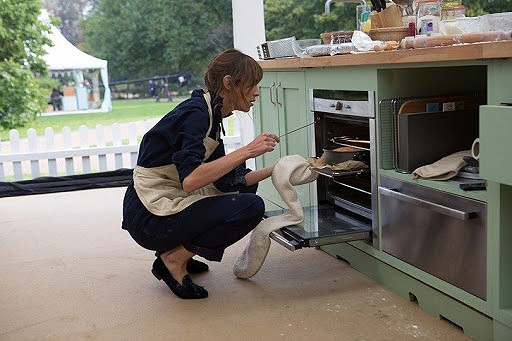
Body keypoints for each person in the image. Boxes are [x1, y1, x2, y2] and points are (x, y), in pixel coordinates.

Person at [121, 48, 279, 299]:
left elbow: (227, 182)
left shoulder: (212, 117)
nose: (257, 92)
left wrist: (278, 169)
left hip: (162, 202)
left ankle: (177, 248)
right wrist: (247, 151)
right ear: (229, 83)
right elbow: (191, 180)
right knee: (249, 207)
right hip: (147, 213)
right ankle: (173, 258)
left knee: (244, 194)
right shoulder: (196, 114)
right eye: (252, 84)